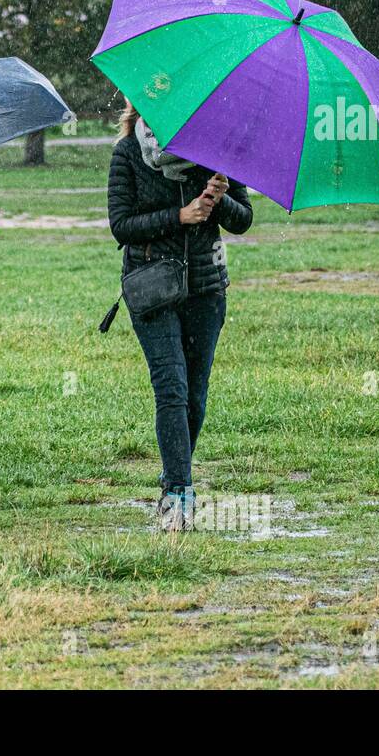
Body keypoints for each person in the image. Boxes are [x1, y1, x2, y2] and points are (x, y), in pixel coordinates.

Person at [107, 101, 252, 532]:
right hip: (152, 287)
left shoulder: (218, 151)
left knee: (195, 394)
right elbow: (121, 225)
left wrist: (220, 199)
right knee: (171, 387)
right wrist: (180, 216)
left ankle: (175, 470)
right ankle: (178, 493)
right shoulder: (129, 153)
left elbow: (243, 220)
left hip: (206, 290)